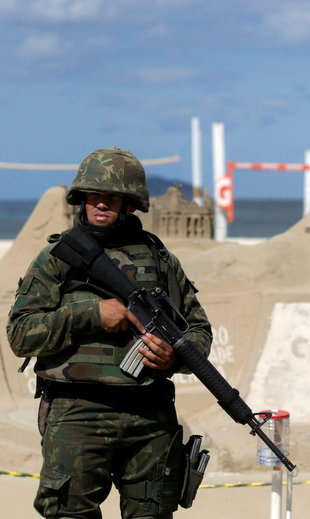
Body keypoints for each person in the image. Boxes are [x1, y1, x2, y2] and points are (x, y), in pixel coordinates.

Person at [7, 148, 212, 519]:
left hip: (150, 416)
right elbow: (21, 334)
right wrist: (91, 315)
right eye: (93, 195)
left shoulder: (159, 259)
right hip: (78, 412)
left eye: (112, 197)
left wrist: (175, 356)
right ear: (80, 199)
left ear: (131, 203)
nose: (100, 204)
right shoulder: (58, 257)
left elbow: (198, 329)